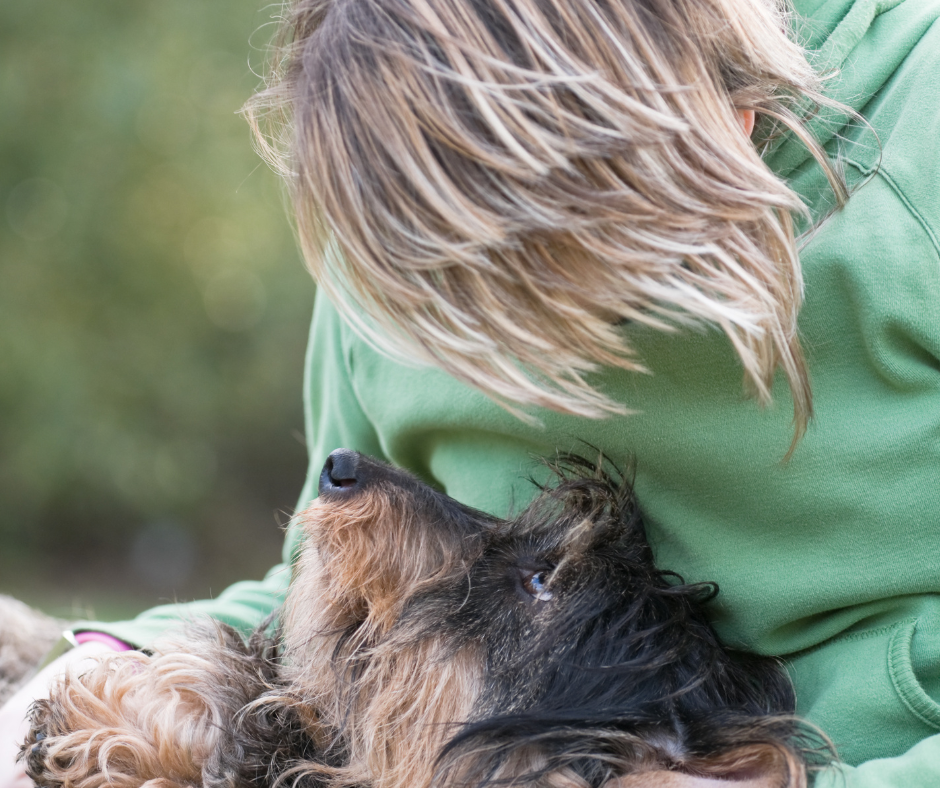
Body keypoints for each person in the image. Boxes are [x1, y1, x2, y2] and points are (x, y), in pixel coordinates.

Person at [4, 0, 940, 783]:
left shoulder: (918, 146)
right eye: (452, 294)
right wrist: (88, 671)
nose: (490, 346)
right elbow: (326, 607)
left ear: (702, 112)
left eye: (551, 270)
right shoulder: (400, 241)